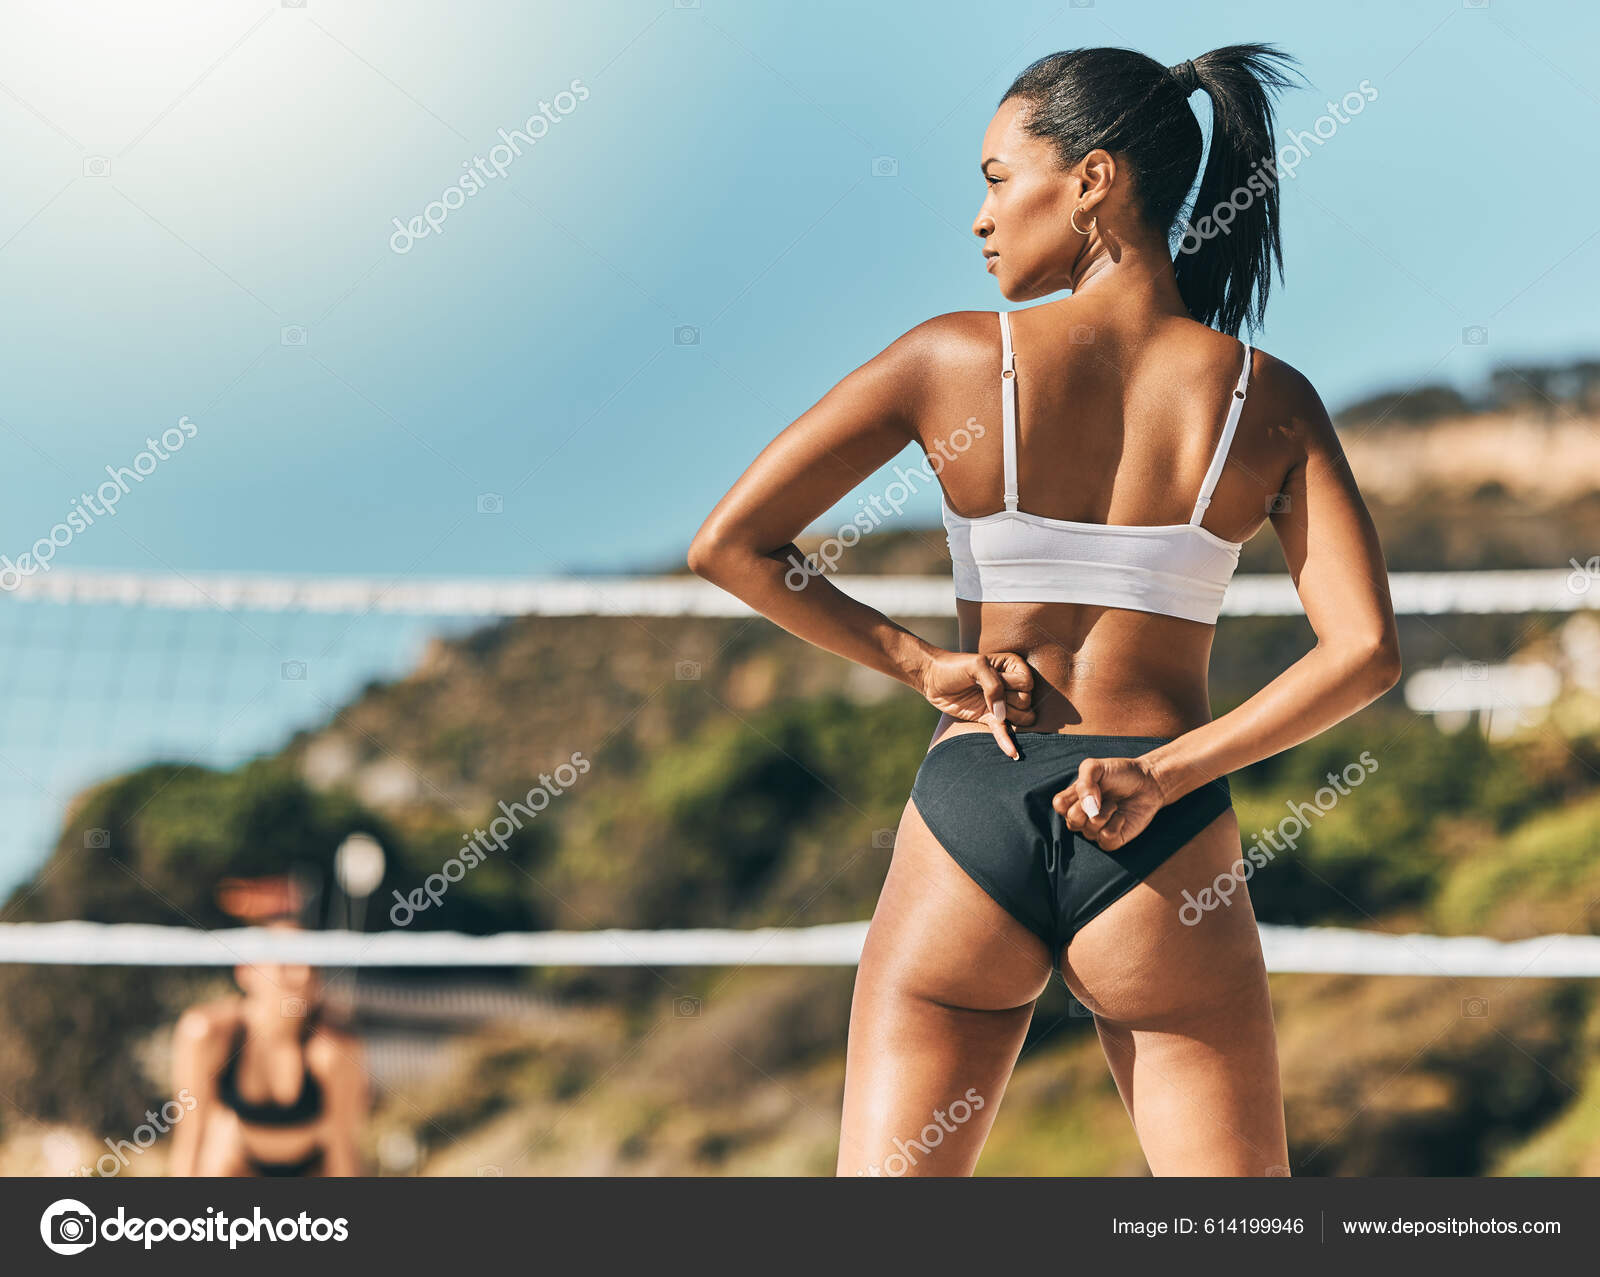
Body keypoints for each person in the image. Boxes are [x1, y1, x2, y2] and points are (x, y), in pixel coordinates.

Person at [688, 44, 1400, 1176]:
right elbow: (1362, 653)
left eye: (993, 176)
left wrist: (921, 663)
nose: (978, 218)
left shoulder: (952, 357)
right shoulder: (1266, 397)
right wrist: (1164, 776)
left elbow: (730, 545)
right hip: (1158, 836)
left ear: (1090, 180)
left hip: (973, 806)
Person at [168, 876, 367, 1176]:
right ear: (246, 970)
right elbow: (189, 1142)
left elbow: (344, 1152)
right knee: (216, 1145)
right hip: (238, 1164)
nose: (300, 977)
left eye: (311, 965)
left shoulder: (332, 1052)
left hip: (310, 1171)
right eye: (286, 964)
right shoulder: (208, 1035)